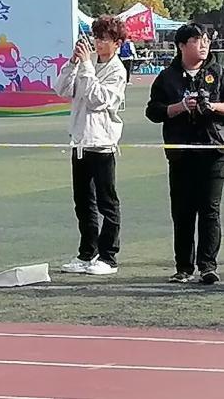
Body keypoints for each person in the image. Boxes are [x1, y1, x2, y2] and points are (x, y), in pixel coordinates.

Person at [146, 23, 224, 285]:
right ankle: (184, 267)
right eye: (197, 40)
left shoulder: (218, 72)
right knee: (182, 211)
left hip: (213, 149)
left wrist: (211, 106)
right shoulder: (167, 77)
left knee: (210, 210)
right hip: (180, 152)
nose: (204, 45)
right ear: (181, 45)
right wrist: (179, 107)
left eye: (206, 40)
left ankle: (208, 266)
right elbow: (153, 111)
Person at [55, 15, 127, 275]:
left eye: (105, 38)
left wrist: (85, 66)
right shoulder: (88, 62)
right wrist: (73, 63)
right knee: (83, 202)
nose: (98, 43)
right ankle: (87, 253)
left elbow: (98, 100)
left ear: (117, 43)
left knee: (107, 202)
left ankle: (108, 256)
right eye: (96, 37)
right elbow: (62, 89)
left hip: (102, 144)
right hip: (80, 142)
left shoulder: (117, 71)